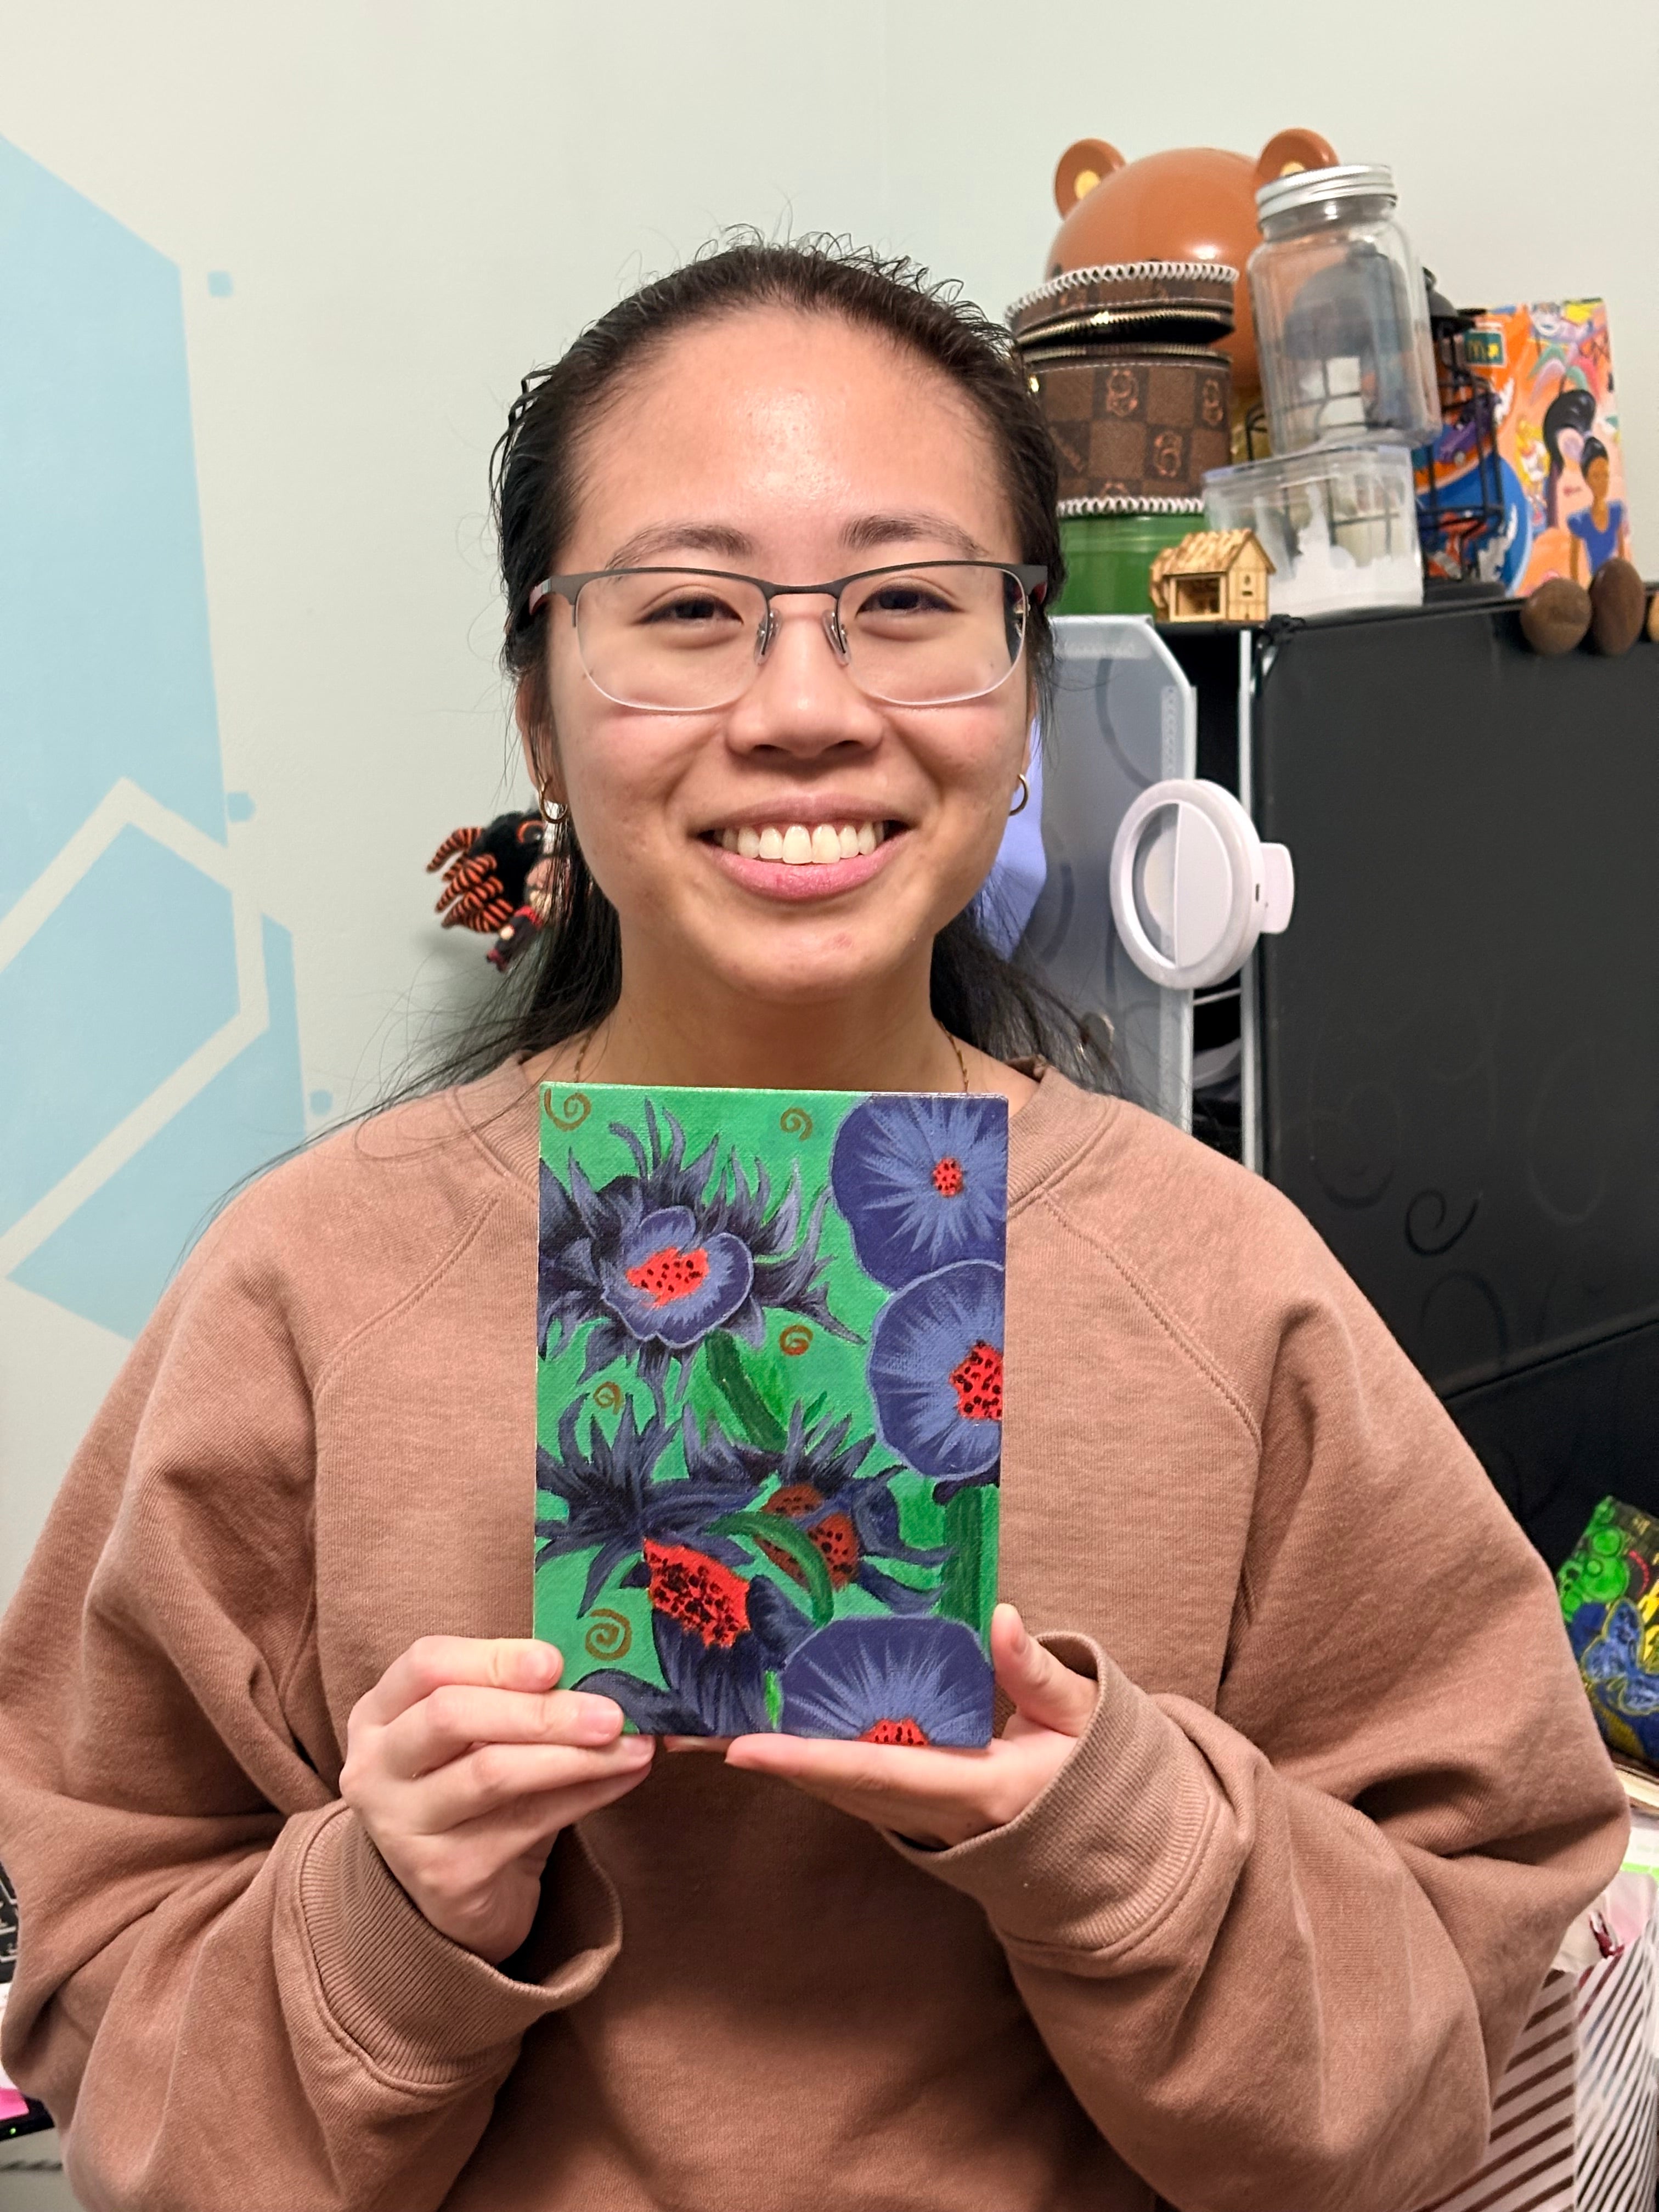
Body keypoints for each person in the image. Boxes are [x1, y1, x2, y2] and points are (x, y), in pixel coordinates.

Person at [0, 239, 1626, 2212]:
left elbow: (1426, 2062)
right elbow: (117, 2046)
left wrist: (1119, 1830)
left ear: (1024, 695)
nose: (800, 705)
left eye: (905, 605)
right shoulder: (302, 1288)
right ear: (536, 707)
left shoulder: (1225, 1283)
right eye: (685, 609)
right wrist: (386, 1904)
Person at [1567, 435, 1629, 580]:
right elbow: (1574, 569)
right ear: (1587, 479)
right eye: (1596, 476)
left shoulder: (1616, 511)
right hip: (1595, 589)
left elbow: (1623, 558)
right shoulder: (1580, 521)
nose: (1603, 482)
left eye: (1605, 475)